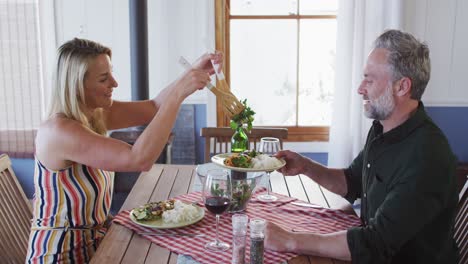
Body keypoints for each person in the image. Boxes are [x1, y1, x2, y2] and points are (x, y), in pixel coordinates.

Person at [264, 29, 459, 263]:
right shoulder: (381, 129)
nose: (360, 88)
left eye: (369, 79)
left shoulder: (427, 156)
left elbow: (374, 244)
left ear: (402, 87)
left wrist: (290, 240)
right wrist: (306, 167)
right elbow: (353, 181)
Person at [26, 38, 222, 263]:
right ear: (77, 85)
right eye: (103, 78)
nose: (115, 83)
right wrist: (179, 94)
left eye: (111, 73)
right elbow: (139, 160)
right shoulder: (59, 131)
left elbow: (154, 107)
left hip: (97, 244)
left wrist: (195, 69)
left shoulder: (93, 113)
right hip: (61, 254)